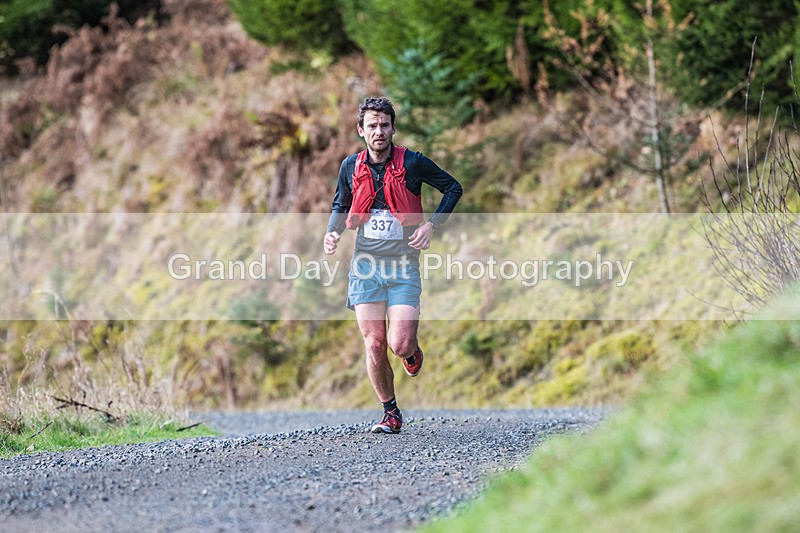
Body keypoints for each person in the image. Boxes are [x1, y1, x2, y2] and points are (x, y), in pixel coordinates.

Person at [323, 96, 462, 434]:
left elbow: (452, 188)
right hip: (365, 266)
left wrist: (431, 225)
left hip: (403, 266)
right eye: (372, 125)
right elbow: (341, 204)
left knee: (399, 344)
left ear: (393, 128)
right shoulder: (349, 167)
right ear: (361, 130)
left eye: (384, 125)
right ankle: (390, 412)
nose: (379, 131)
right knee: (373, 342)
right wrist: (332, 232)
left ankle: (412, 353)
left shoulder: (413, 163)